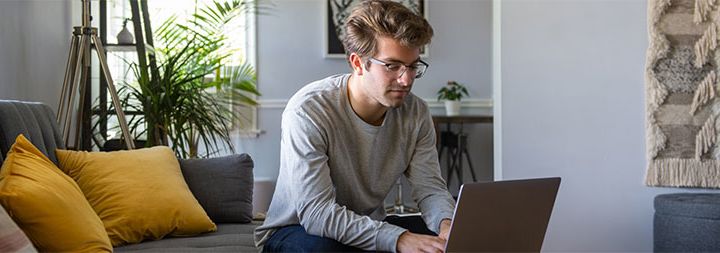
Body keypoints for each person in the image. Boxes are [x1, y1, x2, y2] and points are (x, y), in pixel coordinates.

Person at [254, 1, 455, 252]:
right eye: (392, 66)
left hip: (368, 224)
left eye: (413, 66)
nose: (406, 80)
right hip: (297, 230)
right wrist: (399, 240)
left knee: (458, 237)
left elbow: (431, 190)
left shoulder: (416, 113)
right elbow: (317, 213)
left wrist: (448, 227)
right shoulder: (308, 110)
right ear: (358, 63)